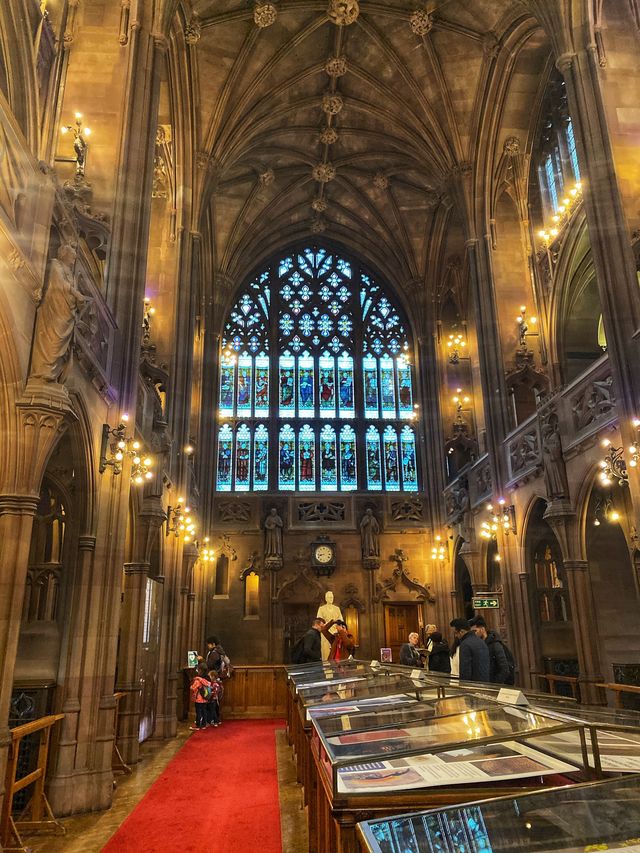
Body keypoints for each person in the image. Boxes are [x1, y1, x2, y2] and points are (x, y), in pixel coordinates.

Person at [470, 617, 514, 684]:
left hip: (494, 685)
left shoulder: (495, 644)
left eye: (475, 631)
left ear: (482, 629)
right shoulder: (479, 644)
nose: (473, 634)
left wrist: (494, 684)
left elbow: (504, 669)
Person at [450, 618, 490, 683]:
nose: (455, 636)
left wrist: (463, 688)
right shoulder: (481, 641)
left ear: (462, 631)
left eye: (456, 633)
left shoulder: (465, 644)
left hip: (472, 687)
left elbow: (465, 671)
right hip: (484, 684)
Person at [190, 665, 211, 731]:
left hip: (198, 699)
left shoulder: (198, 680)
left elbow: (192, 688)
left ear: (200, 671)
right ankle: (204, 724)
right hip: (205, 698)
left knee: (198, 712)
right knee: (204, 711)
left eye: (198, 670)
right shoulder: (207, 679)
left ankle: (198, 725)